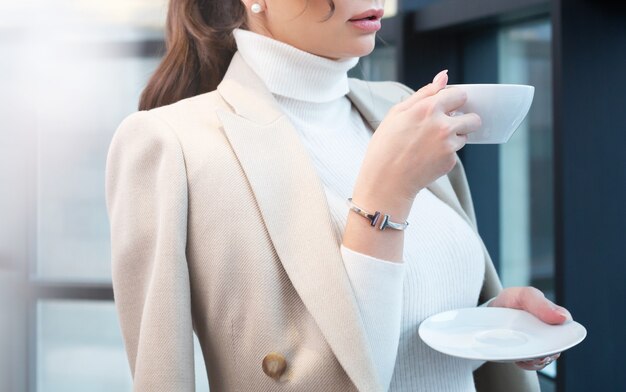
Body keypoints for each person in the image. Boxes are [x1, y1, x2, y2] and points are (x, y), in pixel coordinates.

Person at [105, 0, 571, 391]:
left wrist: (489, 321)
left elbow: (405, 329)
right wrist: (385, 197)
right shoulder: (170, 144)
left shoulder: (400, 107)